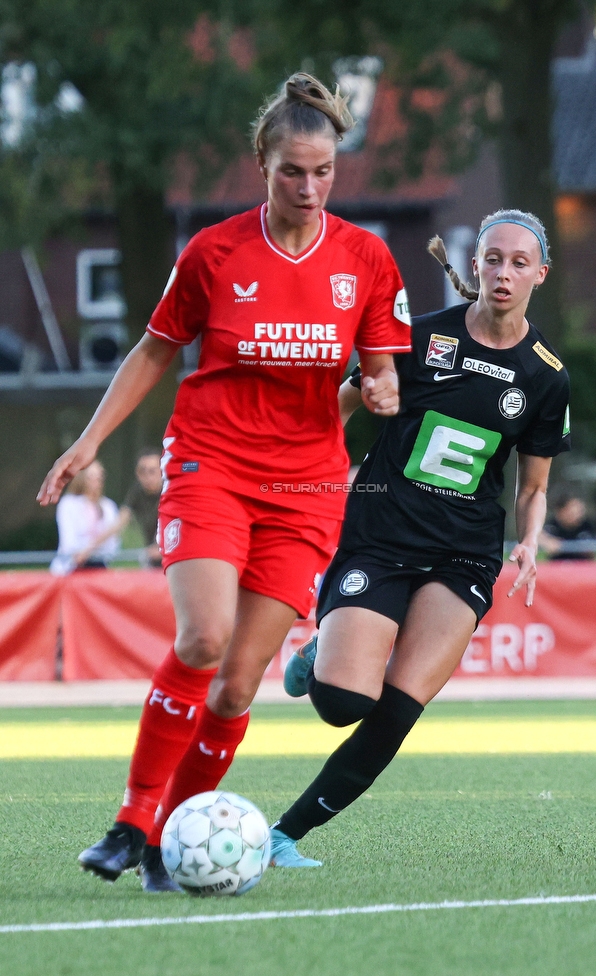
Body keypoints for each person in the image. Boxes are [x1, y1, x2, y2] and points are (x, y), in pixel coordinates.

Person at [37, 72, 410, 892]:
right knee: (202, 640)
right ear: (262, 165)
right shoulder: (215, 252)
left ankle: (173, 843)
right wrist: (84, 442)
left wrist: (382, 388)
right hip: (212, 462)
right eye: (291, 172)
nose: (308, 189)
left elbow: (380, 374)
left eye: (323, 174)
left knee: (239, 684)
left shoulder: (367, 258)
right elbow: (154, 352)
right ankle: (133, 822)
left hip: (309, 484)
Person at [268, 209, 571, 868]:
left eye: (520, 262)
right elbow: (337, 407)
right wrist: (303, 470)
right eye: (494, 258)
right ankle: (325, 647)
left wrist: (530, 541)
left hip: (465, 552)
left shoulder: (546, 376)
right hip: (381, 534)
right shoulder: (418, 339)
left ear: (539, 275)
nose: (504, 272)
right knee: (342, 701)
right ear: (477, 264)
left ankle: (283, 835)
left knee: (399, 708)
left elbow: (533, 485)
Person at [79, 447, 164, 567]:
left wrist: (162, 547)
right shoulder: (137, 492)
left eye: (152, 471)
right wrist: (90, 548)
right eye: (142, 472)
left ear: (162, 471)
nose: (147, 477)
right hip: (154, 556)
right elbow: (119, 523)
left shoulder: (171, 491)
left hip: (174, 554)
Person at [49, 460, 120, 575]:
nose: (96, 482)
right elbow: (68, 541)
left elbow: (113, 544)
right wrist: (88, 550)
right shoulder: (69, 504)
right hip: (71, 567)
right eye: (91, 477)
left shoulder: (108, 506)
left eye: (99, 477)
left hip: (99, 565)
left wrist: (92, 551)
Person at [539, 486, 596, 560]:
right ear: (560, 512)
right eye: (572, 511)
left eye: (580, 510)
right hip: (558, 567)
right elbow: (538, 535)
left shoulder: (587, 525)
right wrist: (546, 542)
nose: (578, 514)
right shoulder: (552, 526)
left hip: (583, 567)